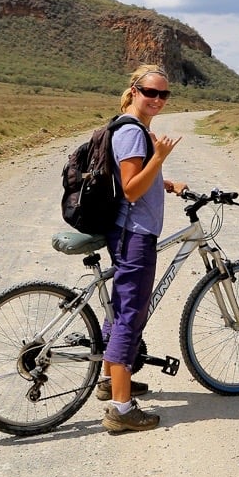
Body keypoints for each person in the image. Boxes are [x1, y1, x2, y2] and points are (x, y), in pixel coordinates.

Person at [99, 64, 185, 433]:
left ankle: (109, 381)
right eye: (151, 92)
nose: (157, 100)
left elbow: (130, 182)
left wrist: (163, 181)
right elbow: (132, 188)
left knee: (119, 309)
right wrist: (159, 159)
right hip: (134, 235)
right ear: (134, 90)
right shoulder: (134, 132)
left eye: (164, 94)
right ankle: (121, 409)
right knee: (129, 317)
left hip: (123, 230)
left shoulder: (128, 125)